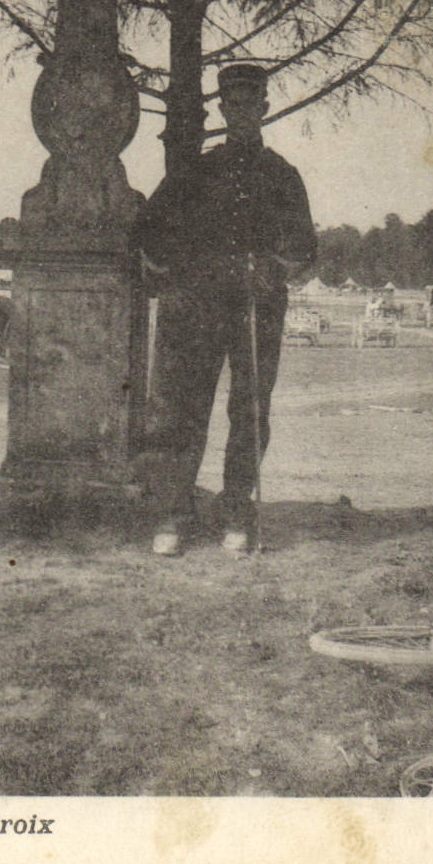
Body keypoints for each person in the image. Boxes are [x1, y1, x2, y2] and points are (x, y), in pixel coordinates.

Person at [132, 63, 317, 557]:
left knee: (250, 411)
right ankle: (173, 514)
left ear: (264, 109)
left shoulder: (282, 175)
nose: (241, 113)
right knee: (184, 410)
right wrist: (179, 271)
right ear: (222, 108)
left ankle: (236, 510)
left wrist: (273, 267)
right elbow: (149, 229)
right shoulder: (196, 171)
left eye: (250, 104)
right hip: (198, 310)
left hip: (257, 311)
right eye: (232, 104)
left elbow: (304, 246)